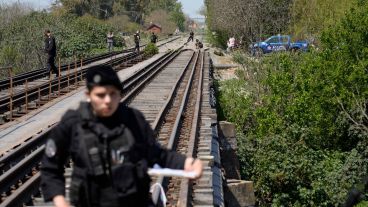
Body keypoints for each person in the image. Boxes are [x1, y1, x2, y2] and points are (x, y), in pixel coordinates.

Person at [40, 65, 203, 207]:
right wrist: (61, 202)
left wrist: (187, 162)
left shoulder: (133, 119)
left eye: (113, 94)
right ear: (88, 95)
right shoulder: (73, 124)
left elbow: (156, 154)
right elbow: (50, 168)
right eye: (101, 95)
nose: (108, 101)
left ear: (119, 94)